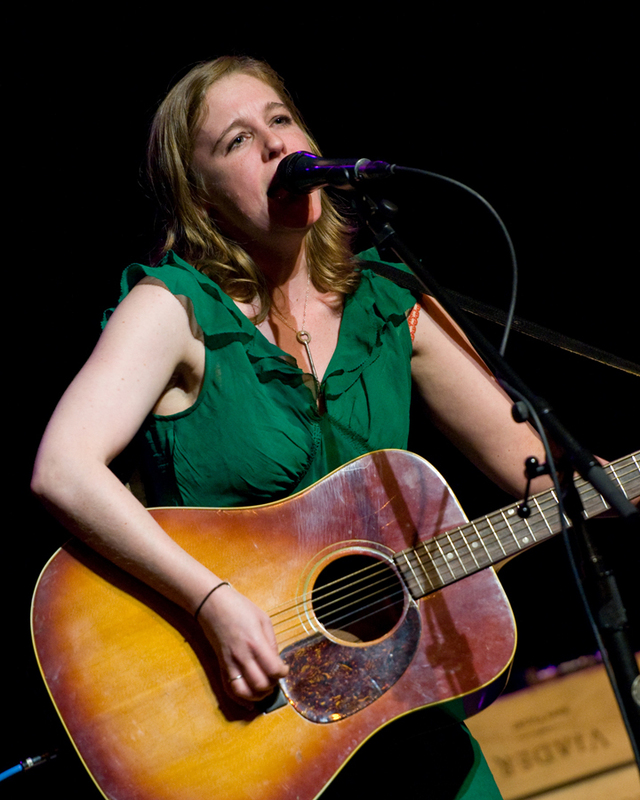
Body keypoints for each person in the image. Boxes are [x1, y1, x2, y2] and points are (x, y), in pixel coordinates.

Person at [32, 56, 553, 799]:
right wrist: (212, 602)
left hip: (410, 733)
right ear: (200, 195)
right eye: (237, 141)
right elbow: (64, 468)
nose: (276, 146)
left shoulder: (389, 300)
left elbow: (545, 473)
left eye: (280, 119)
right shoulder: (175, 309)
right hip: (253, 729)